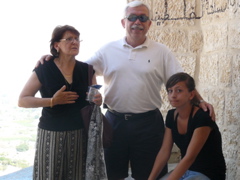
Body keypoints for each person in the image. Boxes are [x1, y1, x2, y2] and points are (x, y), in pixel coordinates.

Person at [36, 1, 215, 179]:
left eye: (143, 18)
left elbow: (182, 82)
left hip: (148, 125)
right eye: (132, 17)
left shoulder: (162, 52)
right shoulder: (108, 50)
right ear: (124, 22)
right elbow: (79, 69)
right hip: (115, 123)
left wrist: (199, 101)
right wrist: (54, 57)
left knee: (150, 175)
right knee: (111, 175)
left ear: (149, 24)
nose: (137, 22)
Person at [18, 25, 102, 180]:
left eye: (77, 39)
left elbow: (94, 99)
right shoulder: (44, 68)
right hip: (51, 135)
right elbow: (23, 100)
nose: (74, 42)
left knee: (77, 176)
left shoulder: (87, 70)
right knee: (48, 176)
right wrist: (52, 101)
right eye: (69, 39)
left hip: (79, 135)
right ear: (56, 45)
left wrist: (98, 100)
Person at [148, 72, 226, 180]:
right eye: (170, 91)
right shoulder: (171, 115)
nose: (173, 95)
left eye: (179, 90)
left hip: (208, 173)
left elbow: (190, 157)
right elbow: (164, 151)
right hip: (186, 171)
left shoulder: (202, 117)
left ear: (191, 95)